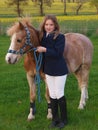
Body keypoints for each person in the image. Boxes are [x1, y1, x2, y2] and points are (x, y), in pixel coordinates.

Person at [36, 14, 69, 129]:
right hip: (48, 70)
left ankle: (64, 120)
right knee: (52, 94)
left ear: (55, 25)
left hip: (59, 70)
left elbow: (58, 53)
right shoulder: (43, 37)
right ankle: (55, 119)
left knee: (59, 94)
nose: (48, 27)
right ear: (43, 25)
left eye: (51, 24)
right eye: (46, 24)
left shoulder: (60, 37)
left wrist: (44, 49)